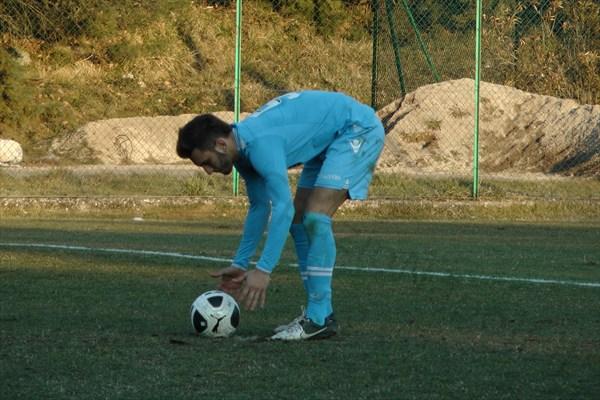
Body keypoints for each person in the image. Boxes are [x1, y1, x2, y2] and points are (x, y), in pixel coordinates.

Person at [176, 90, 385, 340]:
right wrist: (241, 263)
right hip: (329, 140)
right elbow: (260, 207)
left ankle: (318, 317)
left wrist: (264, 269)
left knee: (315, 216)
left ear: (221, 145)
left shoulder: (260, 145)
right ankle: (321, 316)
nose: (208, 171)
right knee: (299, 221)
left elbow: (282, 207)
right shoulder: (242, 150)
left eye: (206, 162)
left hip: (356, 129)